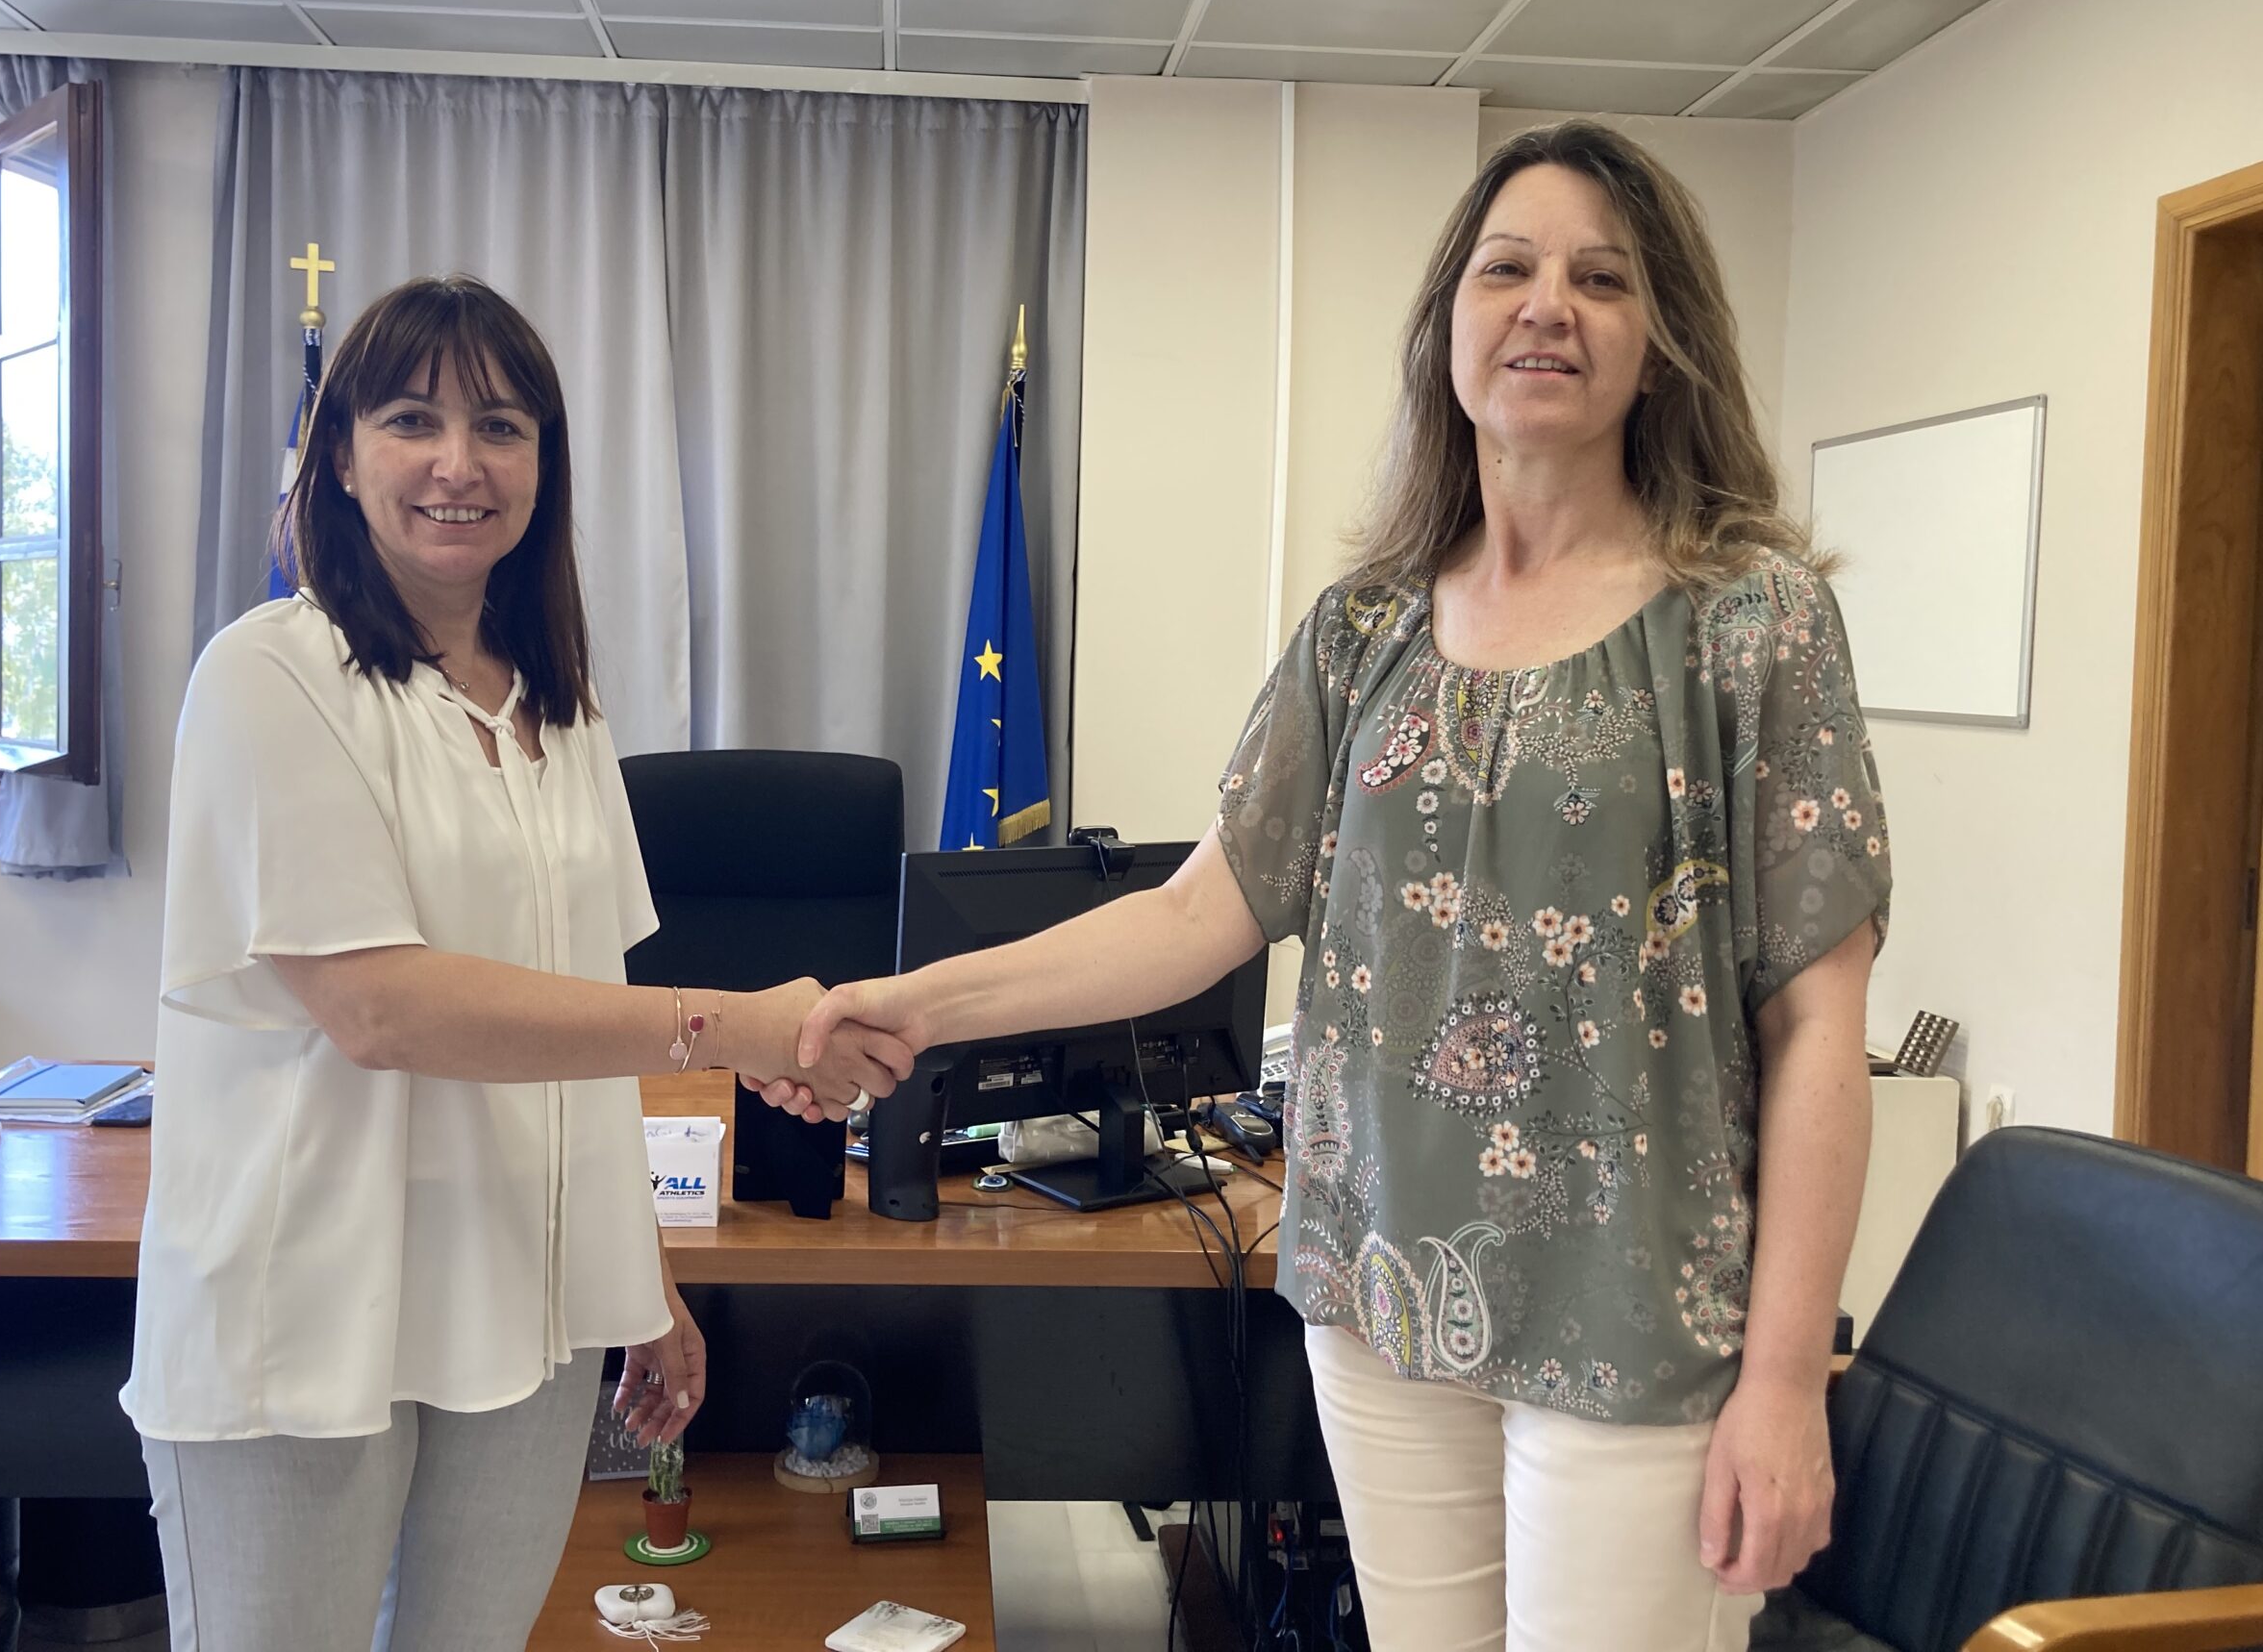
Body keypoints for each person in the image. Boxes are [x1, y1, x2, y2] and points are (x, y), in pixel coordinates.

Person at [769, 121, 1889, 1651]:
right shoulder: (1363, 633)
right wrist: (915, 1003)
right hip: (1380, 1306)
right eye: (1507, 268)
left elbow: (1818, 1026)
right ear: (1448, 328)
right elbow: (1193, 915)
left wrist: (1785, 1381)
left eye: (1602, 278)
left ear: (1662, 339)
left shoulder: (1752, 625)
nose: (1548, 305)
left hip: (1638, 1323)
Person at [123, 276, 912, 1652]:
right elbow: (380, 1007)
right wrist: (733, 1024)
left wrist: (643, 1281)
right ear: (341, 454)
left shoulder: (562, 708)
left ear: (544, 466)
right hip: (305, 1317)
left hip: (524, 1312)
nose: (458, 463)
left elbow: (584, 1022)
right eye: (411, 420)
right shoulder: (270, 676)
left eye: (500, 426)